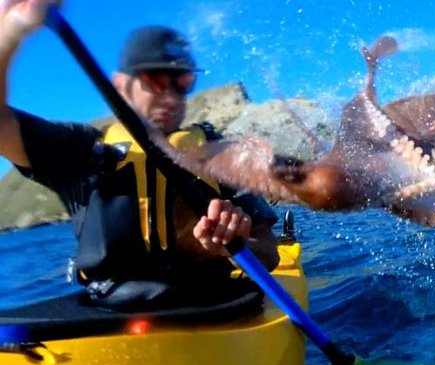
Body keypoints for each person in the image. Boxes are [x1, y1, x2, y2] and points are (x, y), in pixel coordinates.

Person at [0, 1, 280, 311]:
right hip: (111, 312)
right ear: (120, 85)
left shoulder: (219, 153)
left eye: (183, 83)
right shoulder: (80, 151)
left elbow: (270, 253)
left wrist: (233, 247)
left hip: (215, 305)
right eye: (156, 81)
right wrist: (10, 32)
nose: (172, 97)